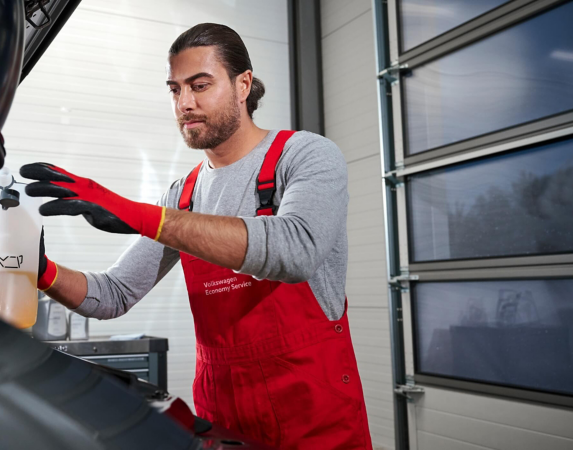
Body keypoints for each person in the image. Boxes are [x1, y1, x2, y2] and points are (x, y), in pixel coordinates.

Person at [21, 23, 372, 450]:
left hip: (313, 420)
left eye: (200, 85)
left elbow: (295, 250)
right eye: (175, 90)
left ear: (243, 85)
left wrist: (137, 214)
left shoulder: (305, 156)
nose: (184, 104)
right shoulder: (183, 194)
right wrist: (42, 272)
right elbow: (113, 294)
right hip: (223, 422)